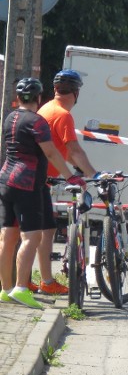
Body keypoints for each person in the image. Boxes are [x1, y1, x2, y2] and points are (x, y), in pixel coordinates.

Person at [0, 78, 85, 309]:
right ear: (38, 98)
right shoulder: (37, 122)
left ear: (18, 99)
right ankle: (21, 288)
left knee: (7, 237)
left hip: (5, 179)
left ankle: (5, 289)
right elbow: (51, 153)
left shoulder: (10, 117)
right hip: (27, 183)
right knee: (32, 238)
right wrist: (70, 176)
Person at [35, 69, 97, 295]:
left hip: (40, 179)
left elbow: (64, 152)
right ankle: (44, 282)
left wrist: (80, 169)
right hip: (40, 180)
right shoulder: (63, 114)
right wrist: (94, 174)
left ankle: (42, 280)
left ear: (55, 89)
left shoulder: (47, 108)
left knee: (42, 232)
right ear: (76, 92)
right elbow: (73, 149)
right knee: (40, 232)